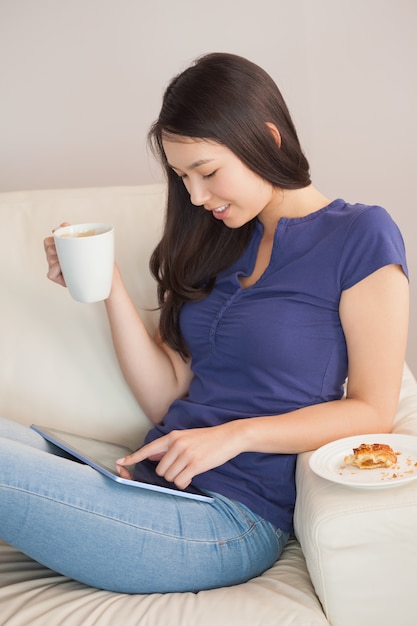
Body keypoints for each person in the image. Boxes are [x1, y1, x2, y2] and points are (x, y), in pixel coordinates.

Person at [0, 52, 409, 594]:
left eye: (208, 172)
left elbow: (373, 410)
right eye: (183, 177)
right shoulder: (221, 243)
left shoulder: (360, 234)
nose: (196, 196)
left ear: (267, 138)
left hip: (228, 520)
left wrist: (233, 437)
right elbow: (168, 397)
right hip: (150, 488)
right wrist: (108, 286)